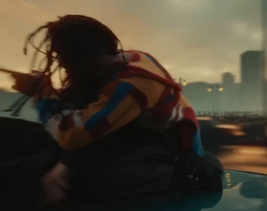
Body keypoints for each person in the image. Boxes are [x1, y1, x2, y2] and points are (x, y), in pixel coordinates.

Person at [9, 15, 222, 207]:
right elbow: (93, 110)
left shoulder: (129, 87)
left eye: (64, 59)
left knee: (87, 185)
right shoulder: (131, 59)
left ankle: (184, 177)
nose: (63, 66)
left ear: (83, 60)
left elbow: (72, 135)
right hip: (142, 135)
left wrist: (44, 94)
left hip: (170, 144)